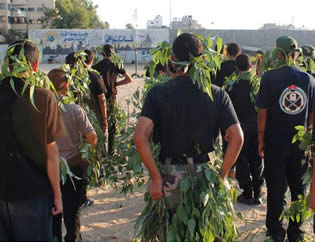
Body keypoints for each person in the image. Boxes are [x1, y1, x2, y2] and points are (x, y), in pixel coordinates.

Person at [133, 33, 244, 238]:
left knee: (171, 233)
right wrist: (222, 175)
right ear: (202, 60)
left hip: (169, 175)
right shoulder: (217, 93)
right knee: (204, 233)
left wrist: (156, 178)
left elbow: (140, 137)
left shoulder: (158, 93)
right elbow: (237, 137)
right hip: (205, 175)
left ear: (173, 60)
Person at [0, 40, 65, 241]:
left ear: (6, 63)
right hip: (33, 193)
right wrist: (57, 195)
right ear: (35, 66)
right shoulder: (44, 98)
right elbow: (51, 152)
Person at [256, 35, 315, 242]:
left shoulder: (269, 78)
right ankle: (296, 231)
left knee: (275, 188)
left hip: (274, 143)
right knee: (298, 188)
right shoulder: (308, 79)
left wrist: (261, 140)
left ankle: (275, 231)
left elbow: (262, 112)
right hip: (299, 144)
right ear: (294, 53)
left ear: (279, 53)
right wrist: (308, 140)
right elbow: (310, 115)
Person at [49, 69, 97, 242]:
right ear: (67, 85)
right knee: (72, 213)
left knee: (53, 211)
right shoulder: (75, 109)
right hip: (74, 166)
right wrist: (86, 153)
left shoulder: (42, 108)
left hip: (49, 167)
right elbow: (92, 137)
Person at [225, 54, 264, 205]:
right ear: (250, 66)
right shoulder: (259, 84)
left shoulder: (231, 86)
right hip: (257, 128)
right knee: (257, 159)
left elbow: (227, 110)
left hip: (239, 129)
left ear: (236, 68)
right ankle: (258, 192)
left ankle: (247, 193)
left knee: (242, 161)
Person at [93, 44, 132, 155]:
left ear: (101, 54)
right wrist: (115, 84)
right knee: (112, 125)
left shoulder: (96, 66)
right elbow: (129, 79)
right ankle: (110, 151)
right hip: (111, 98)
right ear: (112, 53)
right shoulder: (116, 65)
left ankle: (99, 150)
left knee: (99, 123)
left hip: (98, 97)